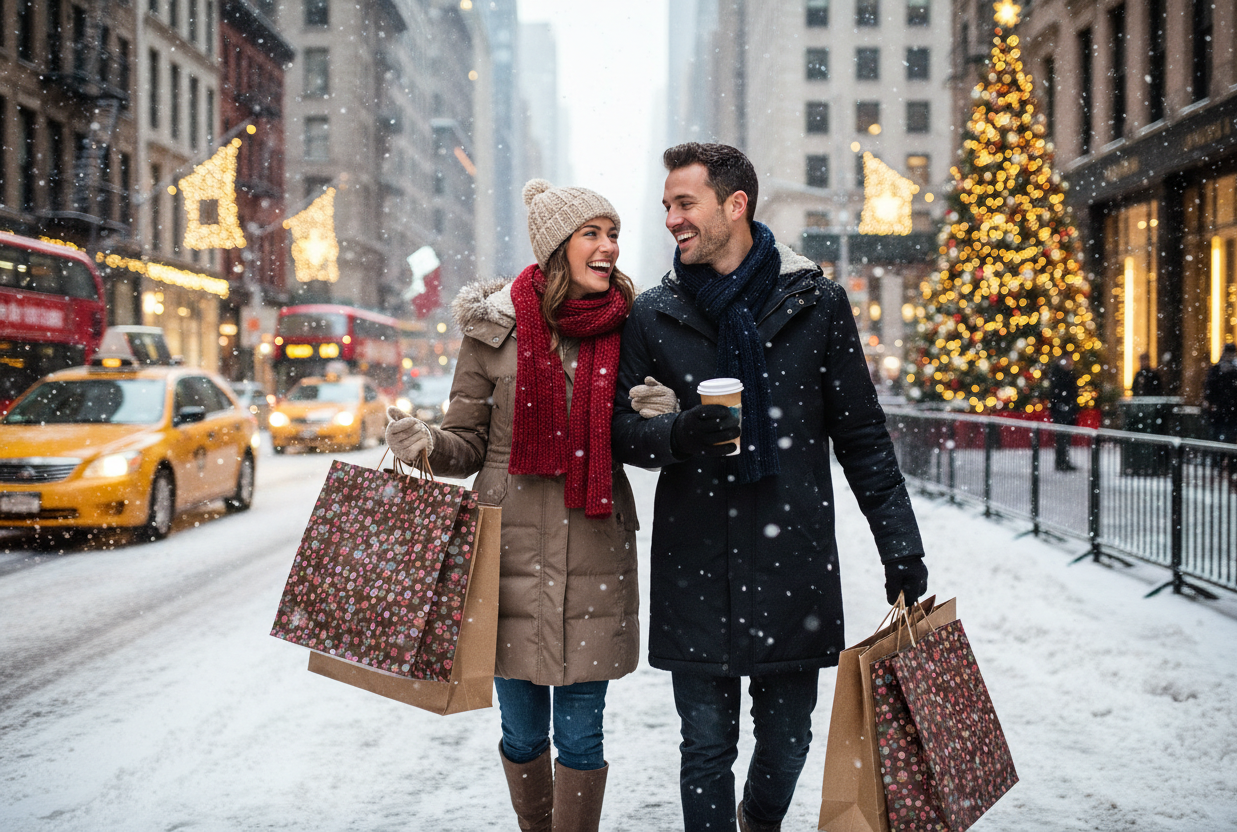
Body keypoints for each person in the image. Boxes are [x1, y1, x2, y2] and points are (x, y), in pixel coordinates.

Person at [612, 143, 927, 832]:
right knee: (705, 749)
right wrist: (678, 435)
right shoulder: (654, 314)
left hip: (794, 565)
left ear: (735, 205)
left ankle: (759, 823)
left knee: (788, 745)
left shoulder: (816, 303)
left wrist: (901, 547)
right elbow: (620, 434)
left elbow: (864, 439)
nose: (671, 219)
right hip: (695, 565)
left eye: (684, 203)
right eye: (667, 205)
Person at [385, 180, 639, 832]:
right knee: (523, 736)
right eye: (593, 232)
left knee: (582, 739)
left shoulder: (627, 326)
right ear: (559, 245)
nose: (609, 246)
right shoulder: (492, 330)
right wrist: (424, 445)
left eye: (613, 232)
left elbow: (643, 433)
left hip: (594, 544)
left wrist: (654, 416)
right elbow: (467, 442)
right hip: (505, 554)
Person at [1203, 342, 1237, 444]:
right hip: (1226, 412)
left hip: (1229, 412)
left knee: (1226, 440)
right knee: (1225, 440)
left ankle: (1225, 457)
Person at [1049, 353, 1078, 471]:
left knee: (1065, 438)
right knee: (1062, 438)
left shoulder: (1067, 374)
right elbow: (1058, 394)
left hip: (1066, 410)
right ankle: (1061, 462)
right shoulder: (1059, 375)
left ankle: (1063, 461)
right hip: (1062, 410)